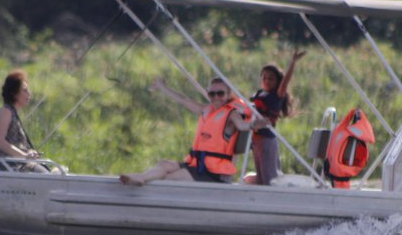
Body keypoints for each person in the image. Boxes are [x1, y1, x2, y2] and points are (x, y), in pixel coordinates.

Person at [119, 76, 267, 185]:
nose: (216, 97)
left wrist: (254, 125)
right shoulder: (206, 110)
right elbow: (184, 100)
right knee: (164, 164)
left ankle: (145, 181)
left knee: (171, 178)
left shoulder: (231, 114)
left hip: (214, 174)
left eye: (220, 93)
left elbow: (242, 126)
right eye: (212, 94)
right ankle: (141, 177)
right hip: (197, 165)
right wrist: (161, 87)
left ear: (229, 95)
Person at [246, 51, 305, 185]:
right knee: (260, 177)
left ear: (277, 81)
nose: (266, 81)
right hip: (255, 140)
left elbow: (285, 83)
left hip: (266, 140)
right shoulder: (259, 94)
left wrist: (293, 62)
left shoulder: (276, 95)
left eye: (271, 78)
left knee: (270, 178)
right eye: (264, 78)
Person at [0, 70, 45, 171]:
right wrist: (24, 156)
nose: (29, 94)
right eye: (24, 90)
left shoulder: (12, 112)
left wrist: (29, 153)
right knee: (46, 176)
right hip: (10, 167)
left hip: (19, 165)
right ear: (14, 93)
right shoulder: (5, 112)